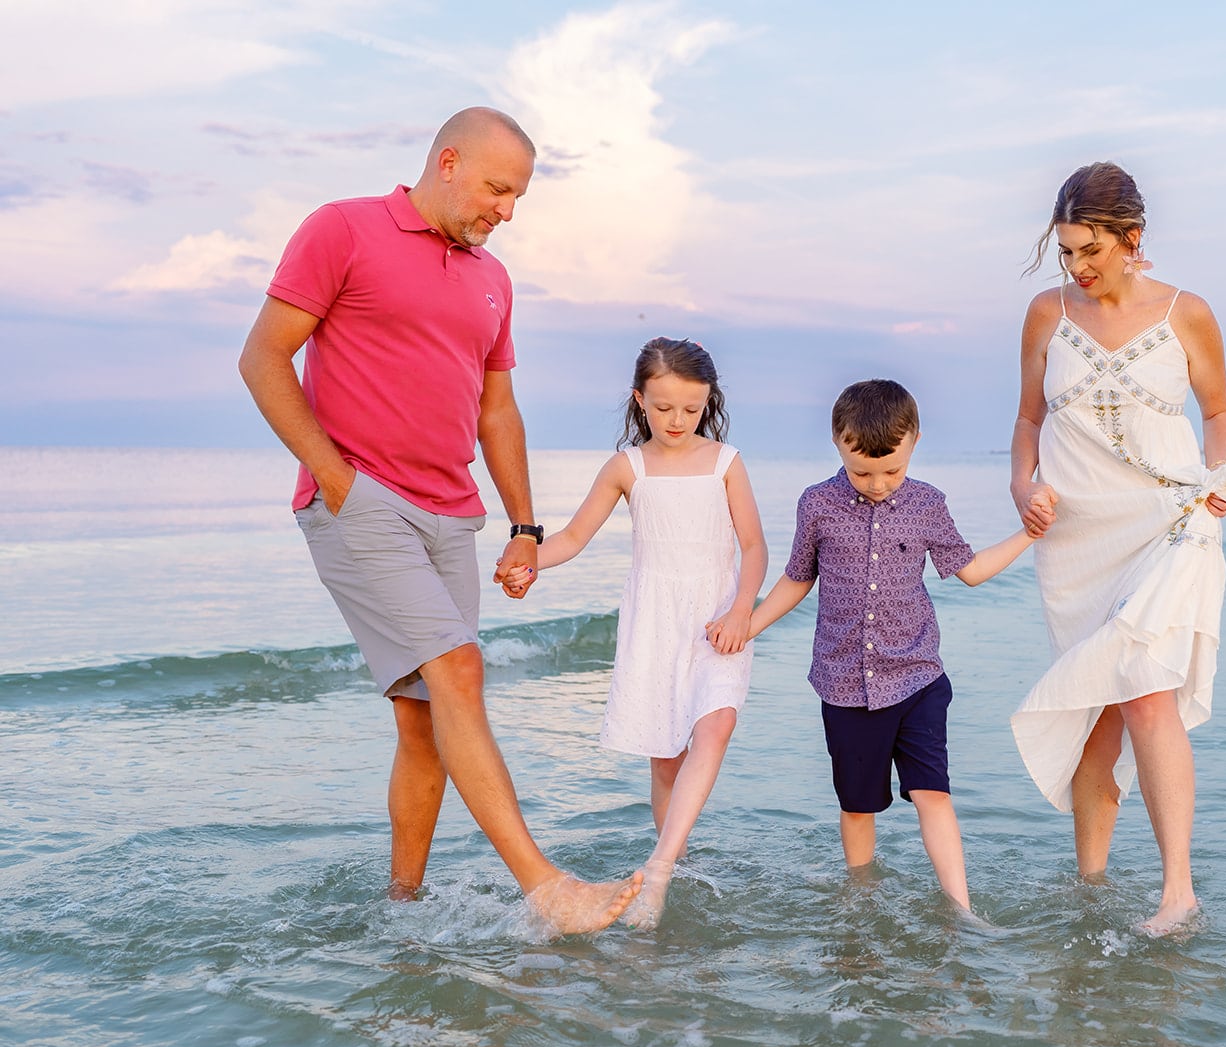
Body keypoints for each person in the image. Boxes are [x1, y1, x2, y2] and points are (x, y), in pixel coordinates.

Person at [237, 106, 640, 933]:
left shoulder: (495, 278)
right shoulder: (342, 230)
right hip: (362, 502)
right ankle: (547, 887)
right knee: (460, 669)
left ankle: (401, 907)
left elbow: (497, 408)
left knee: (424, 719)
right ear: (448, 162)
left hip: (453, 514)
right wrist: (334, 476)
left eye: (519, 197)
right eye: (498, 188)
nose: (507, 211)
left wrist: (524, 524)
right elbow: (263, 356)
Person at [1008, 161, 1226, 937]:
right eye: (1067, 253)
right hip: (1077, 536)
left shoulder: (1188, 312)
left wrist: (1217, 477)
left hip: (1167, 522)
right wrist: (1023, 485)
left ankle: (1177, 891)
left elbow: (1218, 412)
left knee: (1147, 690)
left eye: (1090, 250)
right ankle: (1091, 884)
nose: (1078, 268)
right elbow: (1024, 420)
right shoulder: (1046, 313)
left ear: (1131, 240)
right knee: (1098, 714)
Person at [732, 380, 1044, 911]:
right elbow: (796, 578)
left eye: (891, 471)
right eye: (863, 472)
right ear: (838, 441)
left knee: (933, 794)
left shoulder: (927, 504)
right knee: (858, 807)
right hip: (845, 686)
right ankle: (861, 899)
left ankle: (961, 907)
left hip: (919, 677)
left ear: (915, 441)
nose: (878, 485)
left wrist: (1029, 534)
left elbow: (968, 571)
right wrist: (746, 624)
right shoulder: (818, 504)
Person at [508, 338, 765, 931]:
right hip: (654, 621)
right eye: (664, 407)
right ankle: (671, 858)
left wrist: (740, 612)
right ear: (639, 400)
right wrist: (529, 563)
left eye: (692, 409)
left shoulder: (727, 461)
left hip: (716, 616)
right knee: (667, 761)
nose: (678, 420)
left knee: (717, 723)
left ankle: (660, 869)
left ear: (708, 403)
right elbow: (572, 538)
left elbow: (754, 545)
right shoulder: (628, 468)